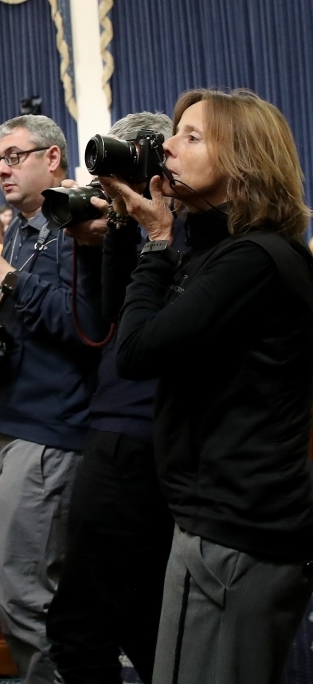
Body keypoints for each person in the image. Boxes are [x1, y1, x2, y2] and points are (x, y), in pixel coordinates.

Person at [104, 88, 313, 684]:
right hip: (215, 524)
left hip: (235, 534)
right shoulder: (227, 253)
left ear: (244, 160)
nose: (167, 145)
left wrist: (158, 241)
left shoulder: (254, 260)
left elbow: (138, 353)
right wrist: (144, 233)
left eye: (191, 136)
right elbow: (117, 317)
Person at [0, 114, 103, 684]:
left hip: (49, 428)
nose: (3, 170)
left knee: (19, 590)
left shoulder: (79, 228)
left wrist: (8, 279)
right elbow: (29, 319)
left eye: (15, 156)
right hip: (14, 420)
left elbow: (85, 327)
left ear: (54, 159)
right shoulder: (20, 227)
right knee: (35, 592)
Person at [46, 112, 178, 684]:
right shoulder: (150, 231)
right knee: (144, 615)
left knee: (82, 626)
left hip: (131, 432)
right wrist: (110, 236)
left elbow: (135, 336)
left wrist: (144, 230)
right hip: (134, 428)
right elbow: (109, 317)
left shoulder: (178, 233)